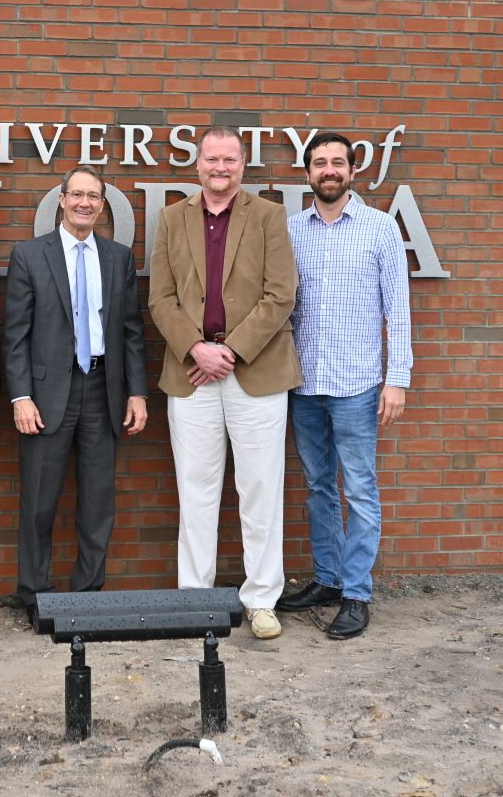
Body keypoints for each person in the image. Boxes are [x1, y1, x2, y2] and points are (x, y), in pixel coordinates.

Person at [148, 127, 301, 640]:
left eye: (229, 160)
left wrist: (229, 352)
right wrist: (197, 349)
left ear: (242, 165)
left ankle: (260, 600)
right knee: (195, 491)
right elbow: (160, 299)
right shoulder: (171, 219)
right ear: (198, 166)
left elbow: (281, 295)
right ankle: (196, 600)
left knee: (260, 490)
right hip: (192, 373)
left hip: (254, 371)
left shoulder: (269, 217)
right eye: (212, 159)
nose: (220, 168)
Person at [277, 131, 412, 640]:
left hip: (357, 384)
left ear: (353, 172)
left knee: (358, 488)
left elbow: (397, 312)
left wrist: (396, 380)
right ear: (307, 172)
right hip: (304, 383)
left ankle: (357, 593)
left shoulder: (380, 230)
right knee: (317, 486)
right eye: (319, 163)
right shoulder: (290, 231)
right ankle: (329, 579)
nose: (328, 170)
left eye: (338, 162)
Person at [4, 166, 149, 625]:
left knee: (97, 501)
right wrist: (20, 396)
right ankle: (35, 596)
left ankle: (87, 596)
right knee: (40, 501)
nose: (85, 202)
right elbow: (15, 336)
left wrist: (137, 393)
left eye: (94, 196)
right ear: (61, 200)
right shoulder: (29, 255)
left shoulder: (118, 257)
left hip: (103, 388)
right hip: (48, 394)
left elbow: (131, 333)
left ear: (103, 206)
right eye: (77, 194)